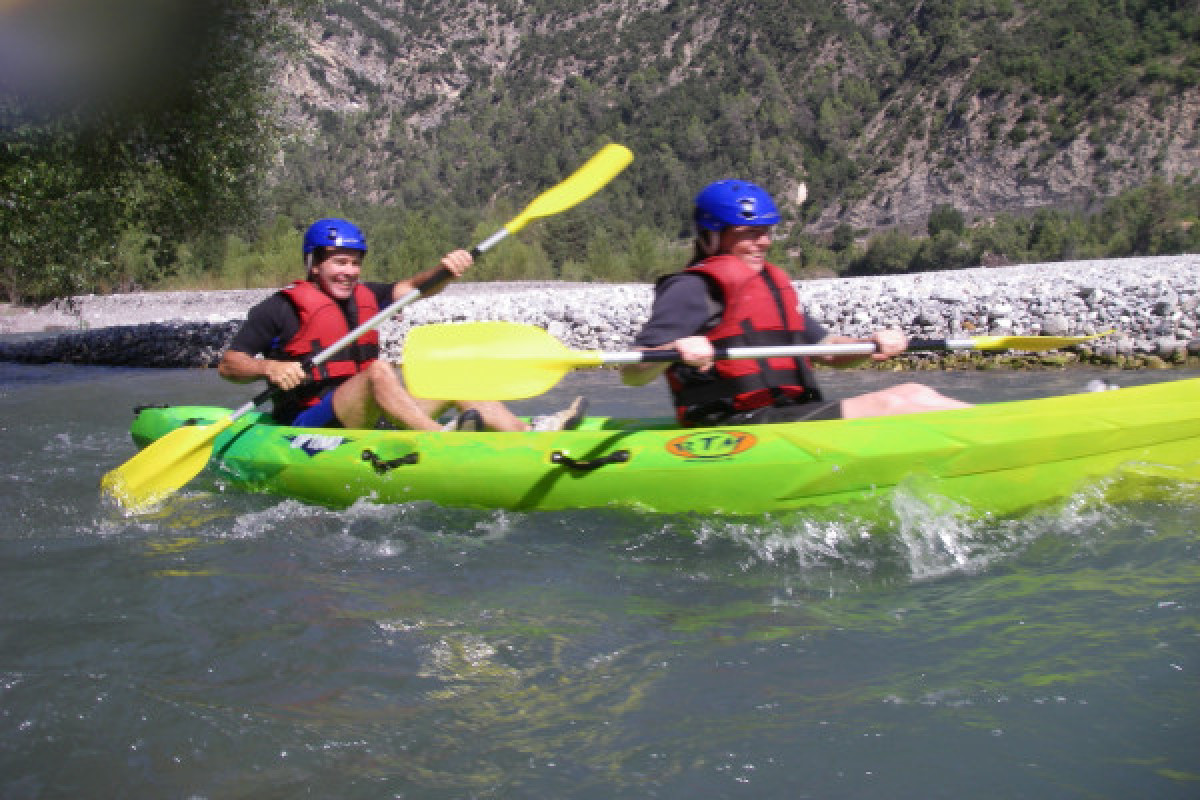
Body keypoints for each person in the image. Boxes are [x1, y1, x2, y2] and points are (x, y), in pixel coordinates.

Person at [621, 181, 969, 426]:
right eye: (749, 233)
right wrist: (675, 349)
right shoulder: (692, 288)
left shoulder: (771, 285)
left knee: (914, 390)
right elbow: (632, 373)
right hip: (732, 426)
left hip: (787, 416)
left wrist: (869, 344)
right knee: (895, 403)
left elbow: (828, 351)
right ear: (711, 237)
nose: (763, 242)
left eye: (766, 231)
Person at [218, 217, 586, 432]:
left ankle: (527, 433)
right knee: (379, 370)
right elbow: (230, 364)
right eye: (339, 263)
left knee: (451, 375)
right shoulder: (279, 308)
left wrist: (446, 270)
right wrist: (269, 367)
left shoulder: (368, 295)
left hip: (370, 415)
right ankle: (438, 440)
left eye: (355, 263)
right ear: (314, 265)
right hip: (310, 422)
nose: (349, 271)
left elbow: (415, 288)